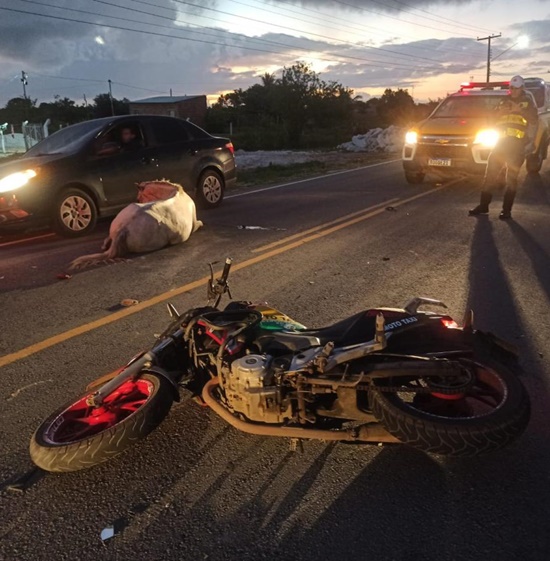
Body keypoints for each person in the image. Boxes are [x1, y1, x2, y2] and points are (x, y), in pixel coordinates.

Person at [469, 75, 539, 219]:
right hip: (500, 145)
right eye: (511, 88)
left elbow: (534, 120)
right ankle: (483, 206)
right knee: (490, 176)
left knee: (511, 180)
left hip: (517, 146)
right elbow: (492, 117)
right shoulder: (503, 102)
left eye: (516, 88)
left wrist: (520, 111)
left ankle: (506, 211)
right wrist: (498, 113)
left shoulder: (527, 103)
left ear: (522, 88)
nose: (513, 91)